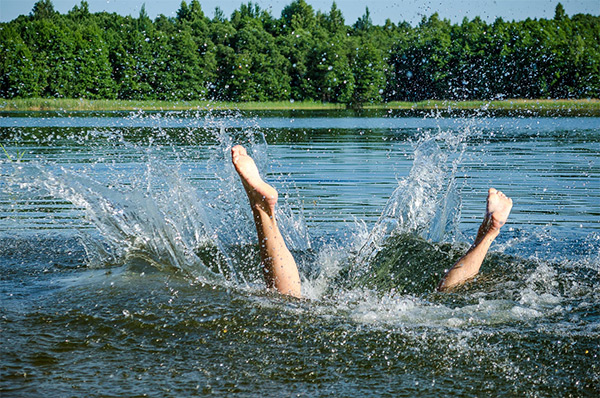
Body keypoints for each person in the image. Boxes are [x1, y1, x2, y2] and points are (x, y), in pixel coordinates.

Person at [231, 145, 513, 297]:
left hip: (357, 309)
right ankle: (489, 234)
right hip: (398, 314)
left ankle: (261, 207)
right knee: (443, 296)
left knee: (289, 301)